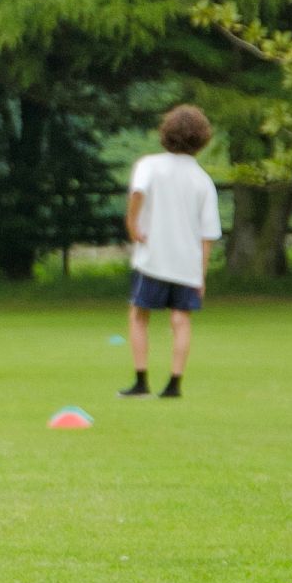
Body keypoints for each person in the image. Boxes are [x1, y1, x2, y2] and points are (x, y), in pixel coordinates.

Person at [120, 104, 222, 398]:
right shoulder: (203, 180)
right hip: (186, 263)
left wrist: (132, 223)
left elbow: (138, 192)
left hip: (152, 258)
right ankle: (174, 382)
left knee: (139, 315)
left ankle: (141, 381)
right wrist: (200, 276)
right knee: (181, 320)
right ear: (202, 139)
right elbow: (208, 235)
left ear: (165, 133)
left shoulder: (149, 165)